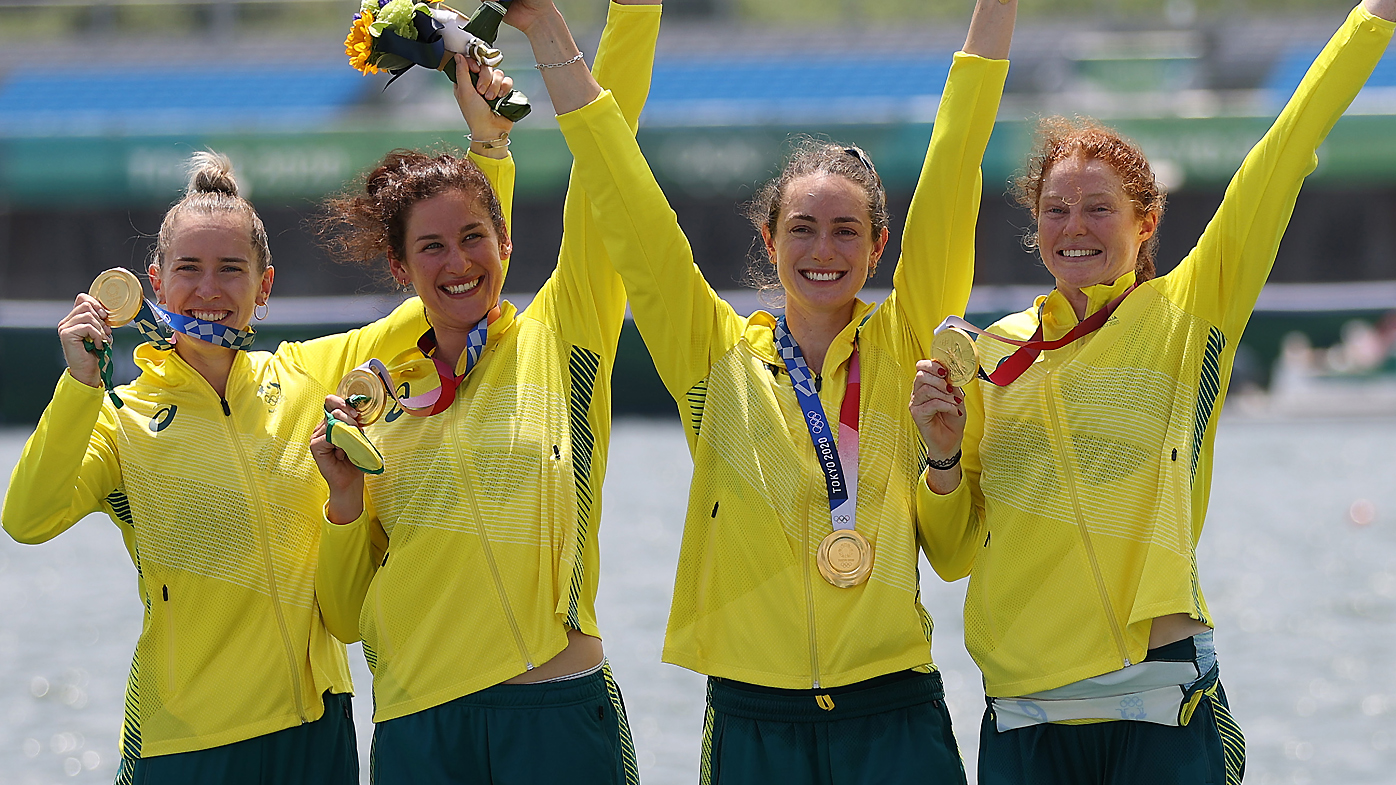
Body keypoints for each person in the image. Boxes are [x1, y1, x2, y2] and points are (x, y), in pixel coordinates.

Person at [506, 0, 1015, 781]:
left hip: (893, 715)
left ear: (880, 245)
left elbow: (956, 155)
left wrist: (996, 12)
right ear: (769, 240)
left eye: (847, 230)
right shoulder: (712, 355)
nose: (824, 249)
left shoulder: (909, 339)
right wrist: (547, 30)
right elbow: (623, 191)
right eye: (803, 228)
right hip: (753, 719)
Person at [910, 2, 1396, 782]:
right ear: (1035, 226)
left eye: (1100, 207)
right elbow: (956, 551)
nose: (1076, 226)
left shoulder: (1188, 314)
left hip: (1163, 700)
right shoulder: (993, 355)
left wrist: (1372, 18)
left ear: (1146, 221)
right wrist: (937, 457)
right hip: (1027, 713)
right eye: (1056, 210)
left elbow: (1285, 151)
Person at [0, 60, 518, 785]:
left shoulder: (307, 374)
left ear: (264, 286)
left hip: (319, 733)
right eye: (189, 268)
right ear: (156, 281)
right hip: (186, 748)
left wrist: (489, 149)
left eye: (231, 269)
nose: (208, 290)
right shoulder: (118, 419)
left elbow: (462, 287)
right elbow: (25, 517)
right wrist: (80, 384)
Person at [309, 3, 660, 783]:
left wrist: (580, 23)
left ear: (507, 241)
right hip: (419, 726)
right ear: (401, 269)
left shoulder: (566, 330)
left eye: (474, 237)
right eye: (431, 246)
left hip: (557, 713)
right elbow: (340, 614)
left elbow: (613, 149)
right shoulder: (374, 395)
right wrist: (341, 502)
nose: (458, 261)